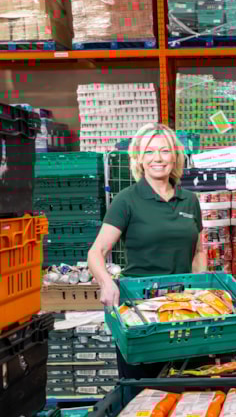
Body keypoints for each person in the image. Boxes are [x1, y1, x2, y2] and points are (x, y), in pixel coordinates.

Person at [87, 123, 205, 379]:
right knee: (142, 391)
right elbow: (96, 252)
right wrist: (107, 283)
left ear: (175, 156)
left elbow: (198, 251)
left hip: (183, 310)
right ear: (139, 159)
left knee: (187, 386)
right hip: (141, 310)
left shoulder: (190, 200)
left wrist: (200, 290)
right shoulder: (127, 200)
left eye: (164, 151)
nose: (158, 158)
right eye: (150, 152)